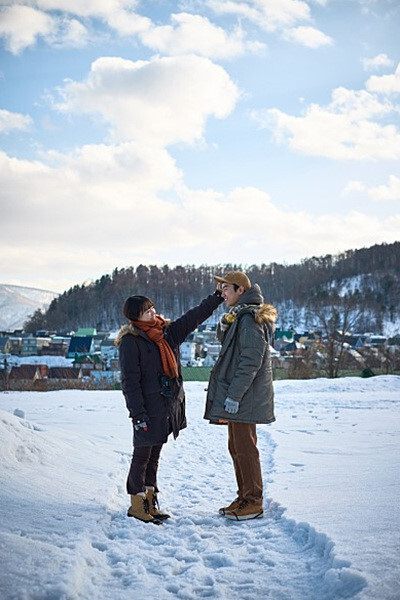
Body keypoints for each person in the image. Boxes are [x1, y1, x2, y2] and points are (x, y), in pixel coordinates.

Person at [115, 289, 223, 524]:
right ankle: (137, 503)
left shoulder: (166, 333)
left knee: (154, 455)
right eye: (147, 310)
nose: (153, 311)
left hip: (166, 405)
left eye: (152, 307)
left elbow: (193, 317)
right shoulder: (130, 342)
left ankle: (150, 500)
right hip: (147, 408)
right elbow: (130, 383)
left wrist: (215, 299)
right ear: (136, 316)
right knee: (141, 455)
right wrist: (138, 414)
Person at [204, 271, 277, 521]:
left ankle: (254, 501)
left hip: (246, 396)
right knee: (236, 446)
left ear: (240, 291)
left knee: (245, 448)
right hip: (242, 395)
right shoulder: (239, 316)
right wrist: (225, 326)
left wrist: (234, 396)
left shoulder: (249, 319)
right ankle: (244, 496)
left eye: (226, 289)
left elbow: (250, 361)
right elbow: (233, 348)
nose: (222, 293)